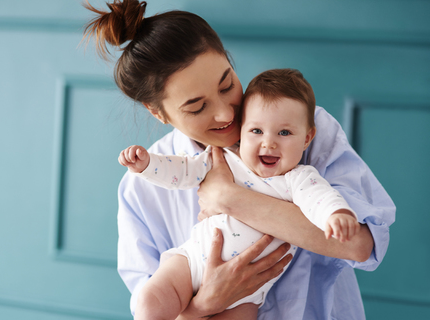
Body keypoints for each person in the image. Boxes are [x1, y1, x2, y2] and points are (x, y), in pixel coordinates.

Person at [83, 0, 396, 319]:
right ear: (158, 112)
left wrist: (230, 198)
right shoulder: (142, 189)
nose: (225, 113)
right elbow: (153, 305)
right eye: (196, 107)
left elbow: (360, 246)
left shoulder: (300, 129)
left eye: (227, 84)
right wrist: (208, 303)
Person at [119, 69, 362, 319]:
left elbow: (319, 200)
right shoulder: (222, 159)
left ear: (307, 138)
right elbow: (181, 171)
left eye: (285, 133)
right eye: (256, 131)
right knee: (151, 300)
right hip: (190, 263)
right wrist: (148, 165)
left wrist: (336, 214)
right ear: (242, 129)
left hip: (247, 294)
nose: (269, 143)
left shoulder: (299, 179)